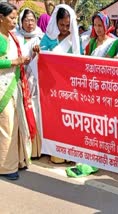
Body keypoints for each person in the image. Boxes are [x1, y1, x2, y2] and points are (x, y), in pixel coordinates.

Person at [35, 4, 82, 163]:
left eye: (68, 25)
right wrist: (37, 53)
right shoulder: (48, 38)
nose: (64, 28)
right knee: (53, 120)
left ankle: (70, 153)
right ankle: (55, 152)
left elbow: (78, 64)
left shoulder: (75, 40)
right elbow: (40, 60)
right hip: (50, 88)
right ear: (56, 22)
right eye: (61, 24)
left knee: (68, 120)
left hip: (67, 87)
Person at [0, 2, 36, 180]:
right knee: (7, 126)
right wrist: (14, 62)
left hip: (14, 85)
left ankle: (17, 160)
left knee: (15, 125)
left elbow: (19, 59)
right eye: (12, 18)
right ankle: (6, 167)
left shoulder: (12, 37)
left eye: (15, 18)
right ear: (1, 18)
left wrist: (27, 58)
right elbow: (7, 61)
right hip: (3, 88)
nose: (15, 22)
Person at [15, 8, 44, 158]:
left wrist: (39, 51)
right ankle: (22, 150)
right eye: (26, 20)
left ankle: (35, 150)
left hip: (34, 81)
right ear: (21, 21)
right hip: (18, 78)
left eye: (32, 20)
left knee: (34, 112)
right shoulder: (16, 36)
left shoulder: (40, 37)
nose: (30, 23)